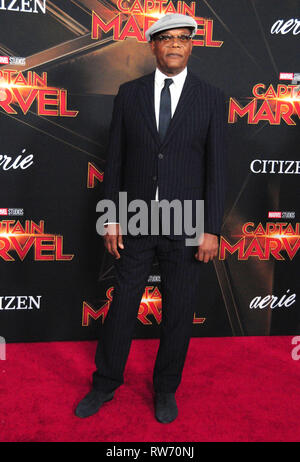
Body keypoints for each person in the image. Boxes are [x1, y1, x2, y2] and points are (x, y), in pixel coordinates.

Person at [75, 13, 227, 423]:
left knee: (178, 310)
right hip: (137, 219)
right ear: (153, 46)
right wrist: (111, 216)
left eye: (182, 38)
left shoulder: (212, 98)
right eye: (166, 39)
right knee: (123, 305)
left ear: (191, 45)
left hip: (187, 222)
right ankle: (105, 383)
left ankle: (165, 389)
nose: (175, 45)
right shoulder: (129, 94)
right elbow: (116, 161)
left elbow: (216, 168)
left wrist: (211, 227)